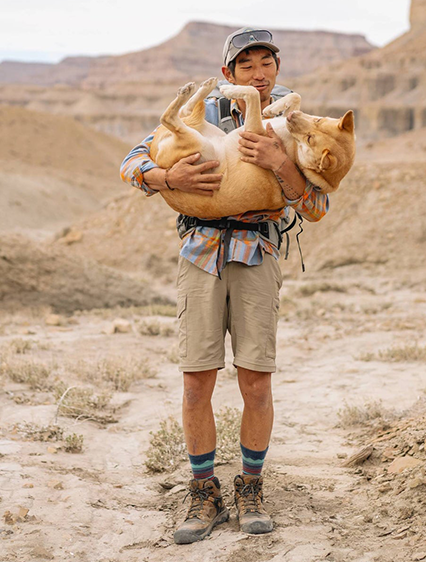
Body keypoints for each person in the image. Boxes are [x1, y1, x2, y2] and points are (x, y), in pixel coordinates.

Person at [118, 27, 328, 544]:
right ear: (227, 74)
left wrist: (280, 164)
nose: (259, 74)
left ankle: (251, 486)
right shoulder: (202, 113)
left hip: (258, 253)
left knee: (256, 381)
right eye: (247, 66)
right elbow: (131, 162)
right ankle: (203, 490)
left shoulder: (294, 122)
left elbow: (317, 207)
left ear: (277, 70)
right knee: (196, 381)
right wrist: (170, 181)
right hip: (201, 254)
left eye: (267, 64)